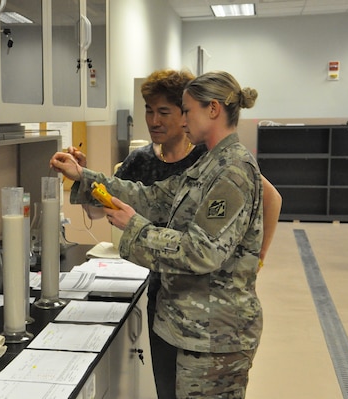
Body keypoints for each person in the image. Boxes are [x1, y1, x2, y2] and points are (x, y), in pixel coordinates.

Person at [68, 69, 281, 398]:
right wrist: (83, 176)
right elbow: (150, 197)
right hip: (184, 325)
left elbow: (202, 251)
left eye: (187, 110)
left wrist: (135, 228)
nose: (183, 121)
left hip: (214, 337)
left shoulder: (232, 171)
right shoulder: (209, 163)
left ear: (213, 110)